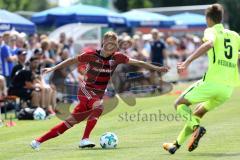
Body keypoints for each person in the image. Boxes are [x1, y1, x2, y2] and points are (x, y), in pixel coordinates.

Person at [30, 31, 169, 150]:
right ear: (104, 42)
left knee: (69, 123)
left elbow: (137, 62)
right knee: (99, 106)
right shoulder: (91, 55)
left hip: (97, 94)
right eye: (110, 42)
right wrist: (52, 68)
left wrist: (156, 68)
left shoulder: (118, 57)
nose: (112, 46)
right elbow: (71, 60)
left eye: (114, 44)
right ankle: (85, 139)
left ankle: (37, 141)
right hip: (86, 90)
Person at [163, 4, 240, 154]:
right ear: (221, 17)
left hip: (212, 82)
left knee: (179, 104)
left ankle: (197, 129)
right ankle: (175, 145)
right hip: (227, 89)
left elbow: (209, 44)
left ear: (208, 18)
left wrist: (187, 62)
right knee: (197, 113)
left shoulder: (210, 31)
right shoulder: (235, 35)